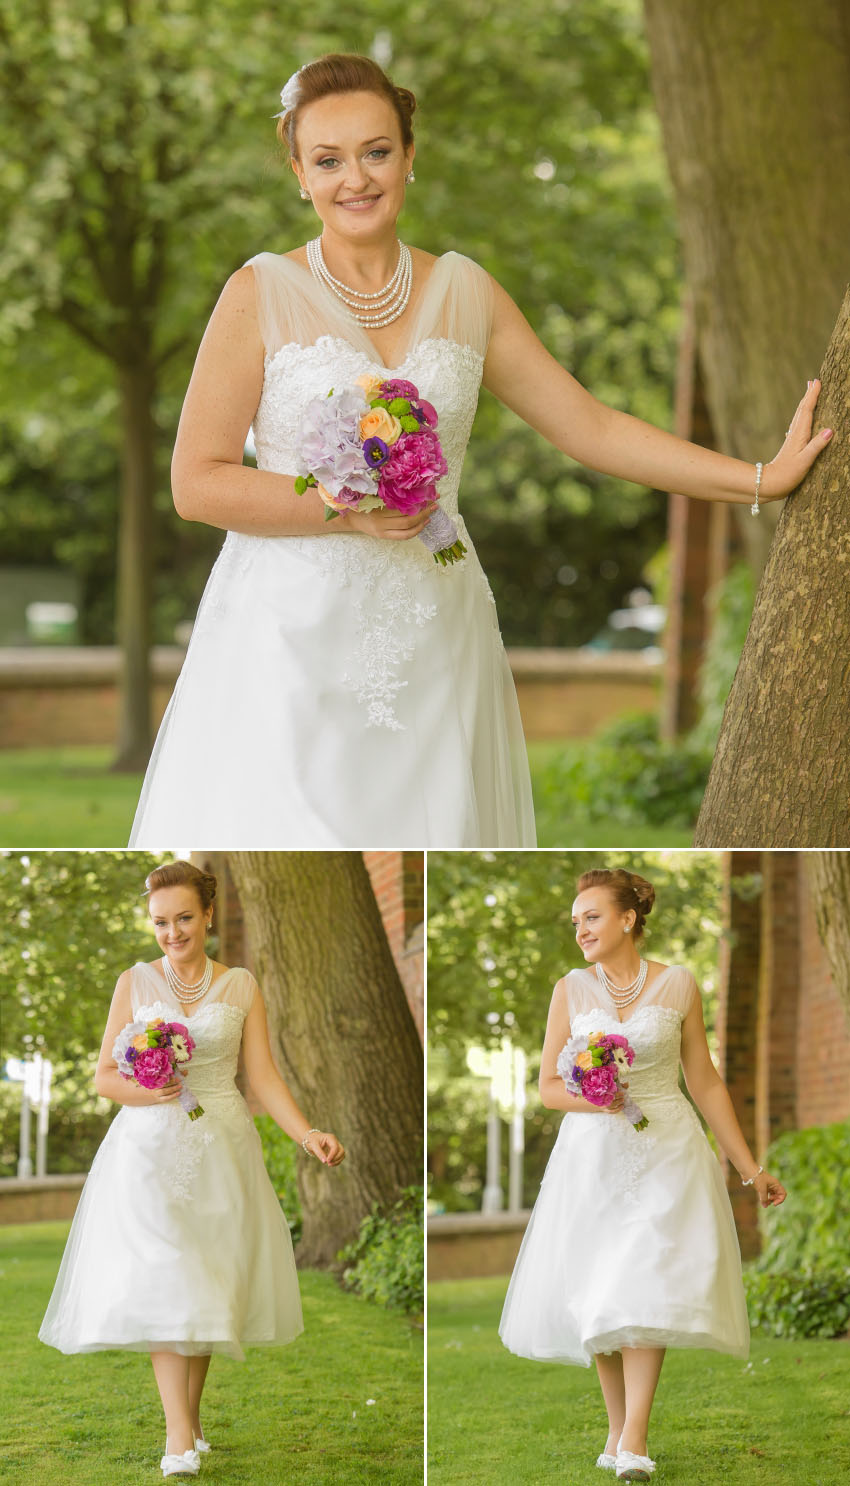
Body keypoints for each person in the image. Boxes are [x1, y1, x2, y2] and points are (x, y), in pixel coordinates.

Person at [129, 53, 832, 849]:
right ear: (299, 173)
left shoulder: (468, 293)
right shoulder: (257, 293)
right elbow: (196, 482)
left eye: (376, 151)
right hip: (288, 643)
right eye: (327, 160)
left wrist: (760, 478)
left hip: (438, 631)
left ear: (409, 157)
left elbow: (591, 428)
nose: (354, 178)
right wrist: (341, 507)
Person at [38, 860, 345, 1480]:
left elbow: (261, 1075)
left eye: (183, 918)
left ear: (208, 914)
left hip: (222, 1148)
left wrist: (307, 1131)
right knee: (168, 1276)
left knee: (207, 1285)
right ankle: (178, 1436)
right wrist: (147, 1088)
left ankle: (192, 1422)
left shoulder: (241, 986)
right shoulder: (134, 981)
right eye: (160, 922)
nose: (172, 932)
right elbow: (104, 1077)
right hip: (147, 1154)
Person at [498, 867, 786, 1483]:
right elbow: (550, 1087)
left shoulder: (679, 984)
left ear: (628, 919)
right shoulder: (569, 990)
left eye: (592, 917)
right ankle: (615, 1430)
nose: (581, 930)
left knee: (644, 1278)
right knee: (599, 1293)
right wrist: (595, 1097)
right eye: (575, 922)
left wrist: (748, 1167)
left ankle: (634, 1439)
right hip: (592, 1157)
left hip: (667, 1151)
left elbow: (702, 1079)